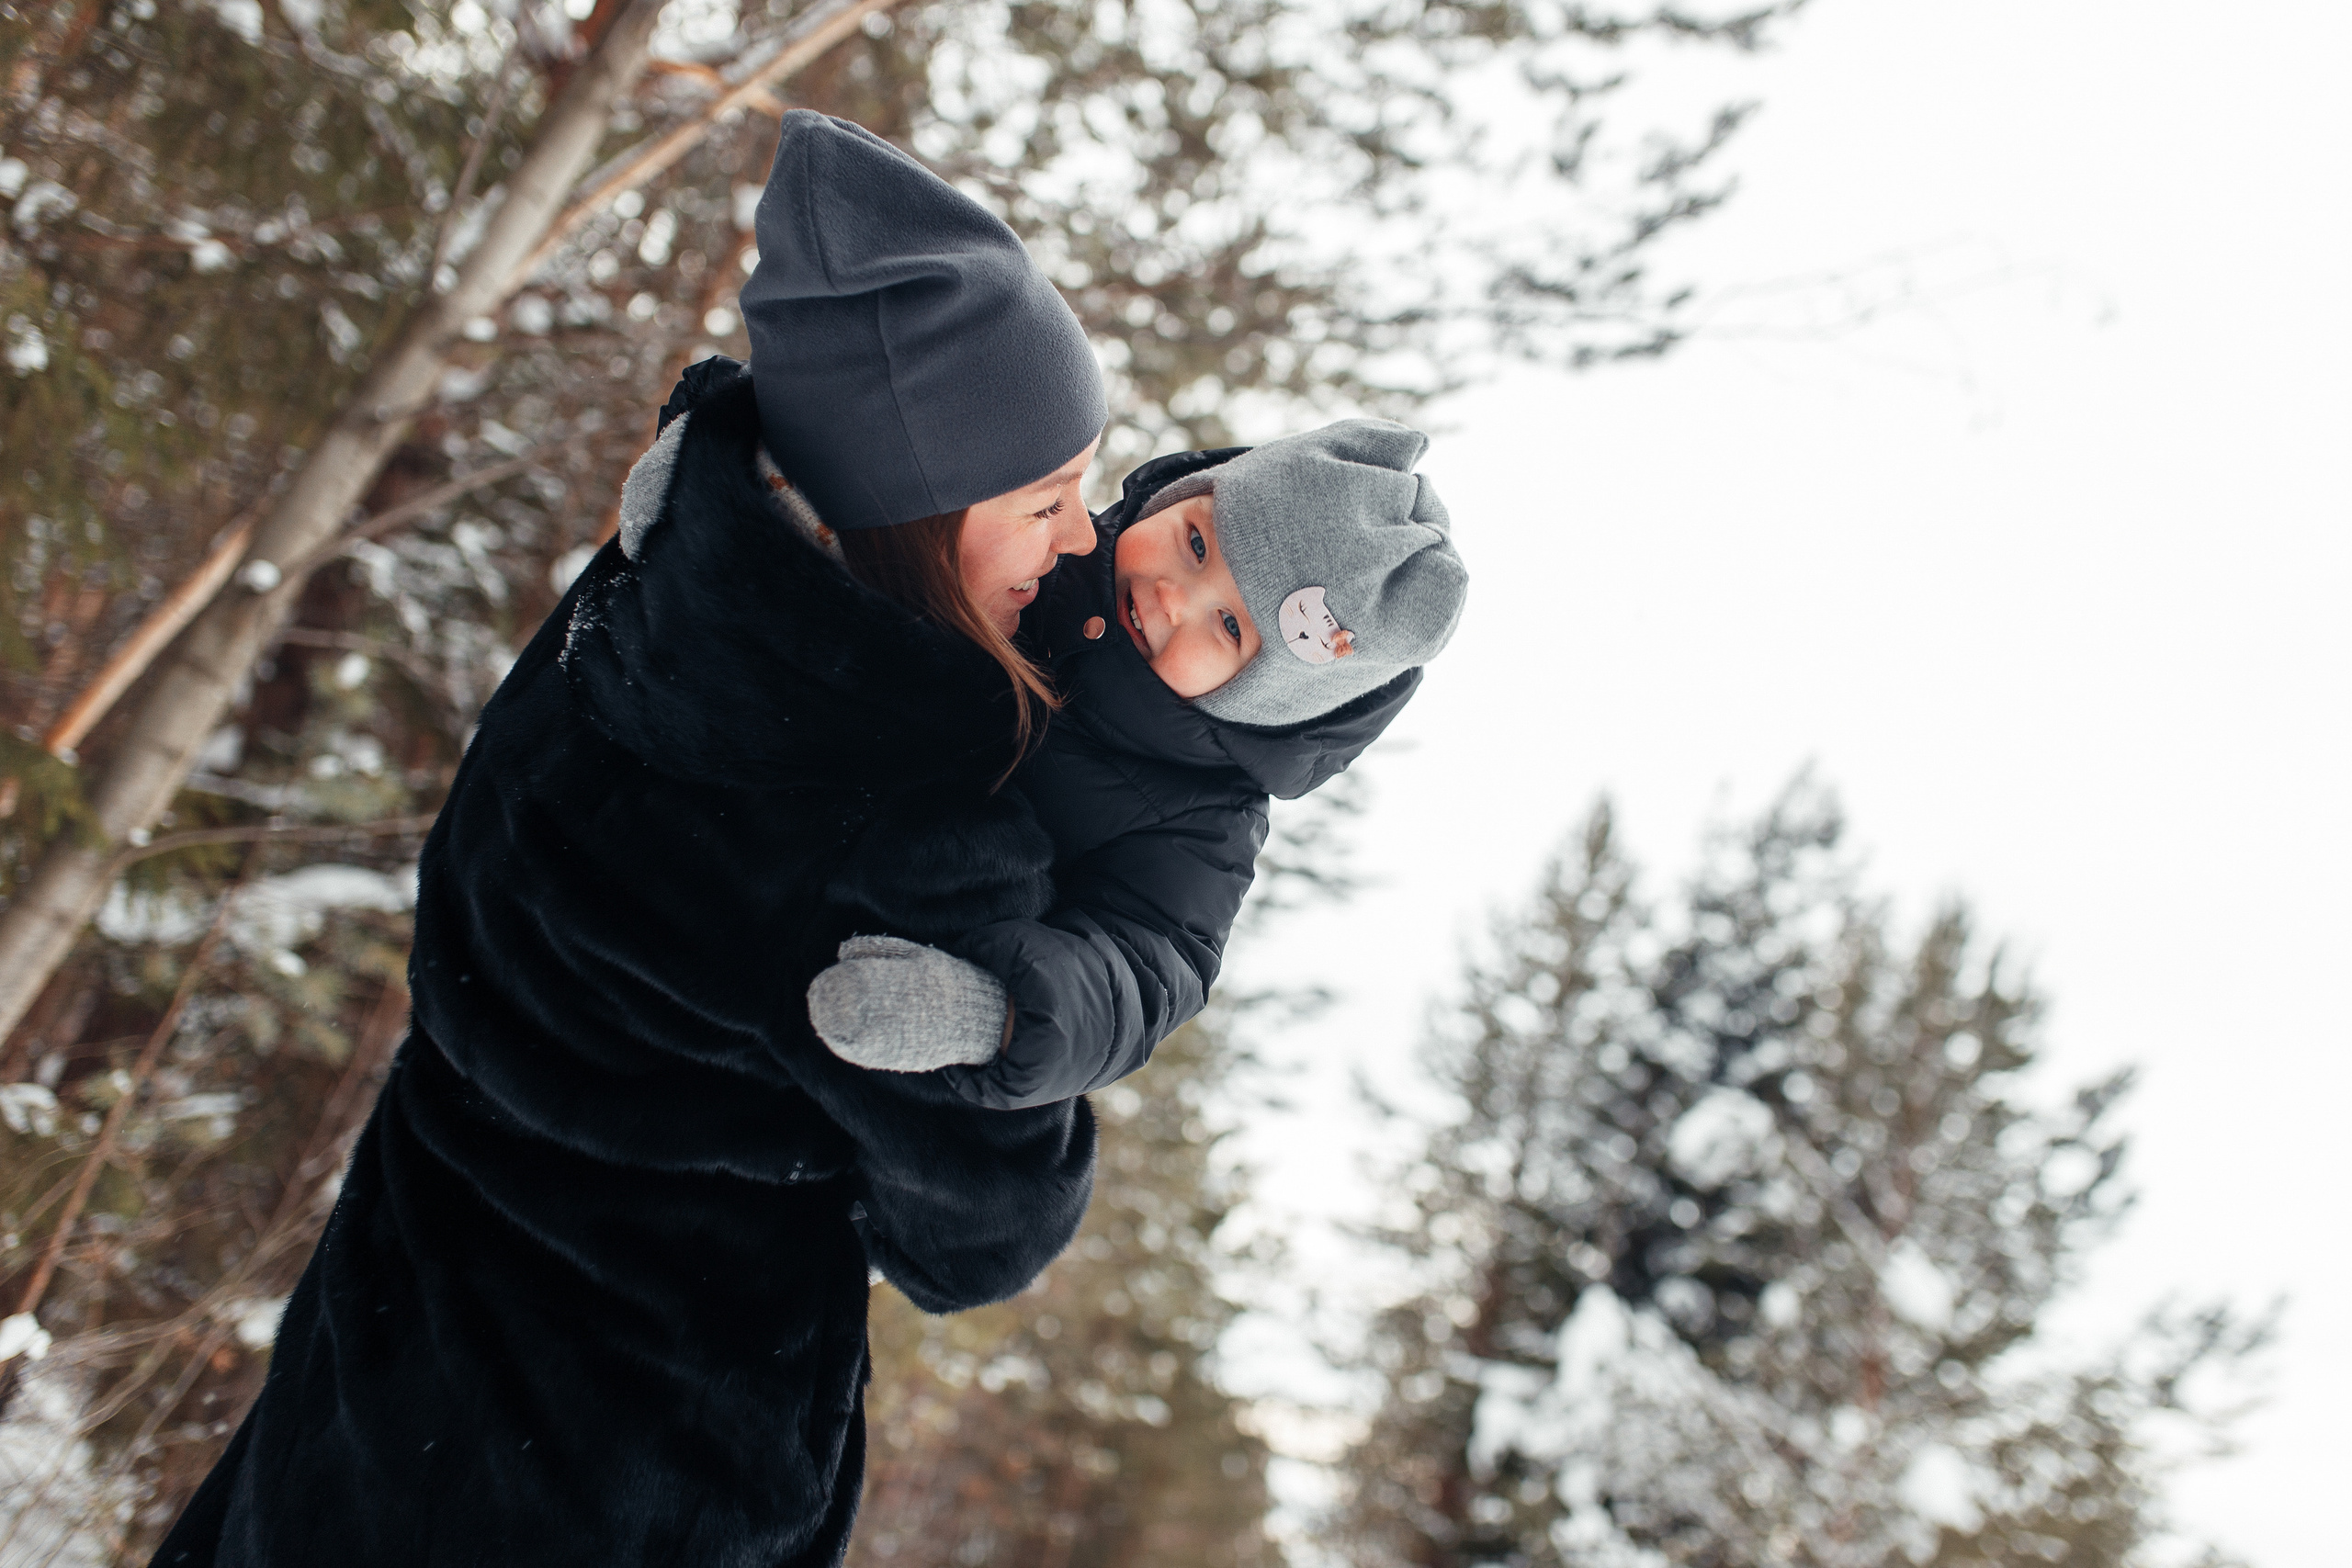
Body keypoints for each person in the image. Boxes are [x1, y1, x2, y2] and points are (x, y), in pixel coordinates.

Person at [153, 110, 1113, 1568]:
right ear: (914, 503)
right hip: (623, 1476)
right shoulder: (897, 827)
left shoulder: (646, 591)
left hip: (377, 1368)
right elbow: (980, 1236)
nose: (1084, 536)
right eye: (1047, 497)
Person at [803, 417, 1469, 1102]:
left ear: (1264, 699)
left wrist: (986, 1012)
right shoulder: (1034, 547)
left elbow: (1144, 970)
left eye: (1230, 626)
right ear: (1180, 495)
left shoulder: (1205, 822)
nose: (1174, 597)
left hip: (874, 947)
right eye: (1196, 543)